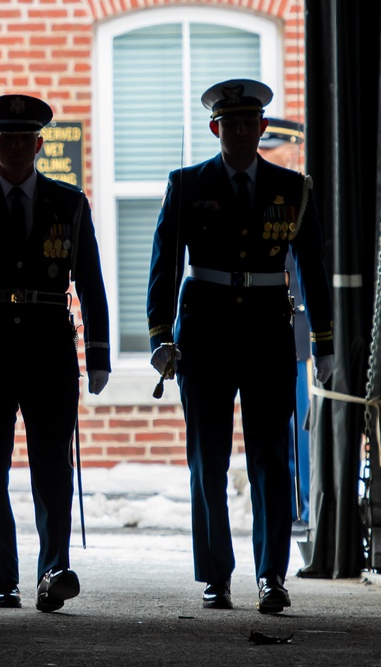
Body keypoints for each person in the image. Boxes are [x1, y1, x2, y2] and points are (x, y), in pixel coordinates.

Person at [146, 80, 334, 614]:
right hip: (203, 331)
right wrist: (160, 337)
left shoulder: (291, 188)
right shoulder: (186, 185)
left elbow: (313, 269)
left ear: (263, 129)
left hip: (267, 330)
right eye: (230, 124)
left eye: (249, 123)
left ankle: (272, 575)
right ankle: (216, 576)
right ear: (216, 129)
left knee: (271, 459)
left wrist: (324, 340)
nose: (240, 132)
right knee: (207, 458)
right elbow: (163, 268)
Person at [0, 95, 110, 613]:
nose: (16, 148)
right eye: (6, 139)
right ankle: (1, 577)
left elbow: (90, 280)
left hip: (47, 347)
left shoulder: (69, 203)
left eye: (25, 139)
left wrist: (99, 352)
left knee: (52, 466)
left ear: (40, 145)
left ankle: (53, 569)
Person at [258, 118, 311, 526]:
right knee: (280, 435)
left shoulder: (296, 196)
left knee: (303, 430)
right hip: (274, 326)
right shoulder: (268, 199)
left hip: (299, 334)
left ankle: (305, 504)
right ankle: (290, 507)